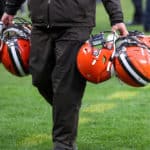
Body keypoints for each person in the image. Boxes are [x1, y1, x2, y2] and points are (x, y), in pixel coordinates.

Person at [1, 0, 128, 150]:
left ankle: (64, 144)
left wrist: (117, 17)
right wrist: (10, 9)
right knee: (39, 77)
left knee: (66, 84)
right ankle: (68, 108)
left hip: (76, 23)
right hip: (40, 23)